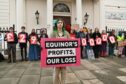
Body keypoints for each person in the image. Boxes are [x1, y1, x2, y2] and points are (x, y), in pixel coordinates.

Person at [51, 19, 70, 84]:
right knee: (56, 73)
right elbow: (49, 43)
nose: (60, 24)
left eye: (61, 22)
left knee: (64, 72)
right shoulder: (53, 33)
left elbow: (70, 43)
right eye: (58, 22)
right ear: (56, 24)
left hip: (64, 55)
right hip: (56, 55)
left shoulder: (66, 33)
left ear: (63, 24)